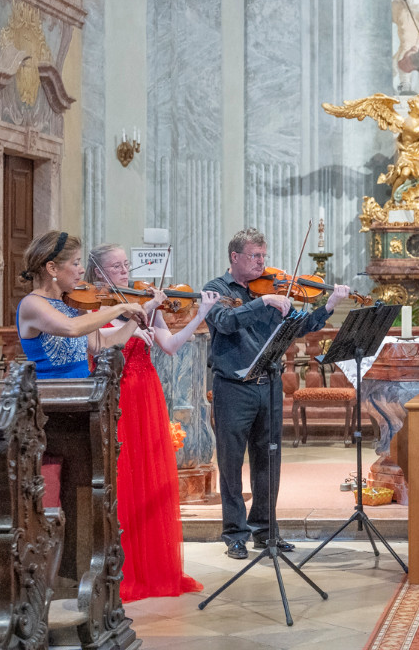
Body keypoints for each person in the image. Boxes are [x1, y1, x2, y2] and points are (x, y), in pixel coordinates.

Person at [203, 229, 352, 559]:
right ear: (235, 257)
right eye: (254, 256)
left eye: (263, 256)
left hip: (268, 385)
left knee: (268, 460)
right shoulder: (216, 290)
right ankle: (235, 534)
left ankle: (266, 530)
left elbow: (301, 325)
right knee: (231, 464)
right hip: (233, 388)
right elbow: (225, 322)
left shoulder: (271, 290)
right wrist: (263, 302)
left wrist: (329, 305)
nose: (261, 263)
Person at [87, 243, 220, 601]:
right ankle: (121, 568)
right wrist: (139, 314)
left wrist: (201, 313)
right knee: (121, 476)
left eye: (126, 265)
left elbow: (171, 346)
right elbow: (96, 345)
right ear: (98, 272)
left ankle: (151, 568)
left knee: (147, 476)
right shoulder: (93, 307)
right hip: (116, 394)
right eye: (116, 267)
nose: (125, 272)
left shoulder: (142, 302)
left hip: (147, 394)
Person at [15, 230, 146, 378]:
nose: (82, 270)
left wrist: (136, 319)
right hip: (51, 388)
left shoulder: (74, 301)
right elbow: (72, 327)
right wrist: (119, 308)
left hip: (84, 386)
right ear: (52, 268)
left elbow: (101, 347)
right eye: (76, 263)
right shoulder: (32, 304)